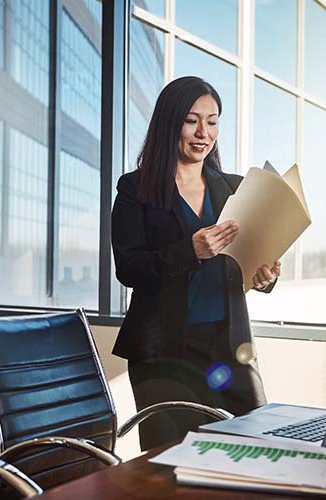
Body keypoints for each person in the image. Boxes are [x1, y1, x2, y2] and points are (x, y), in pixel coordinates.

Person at [111, 76, 281, 451]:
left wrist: (265, 276)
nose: (203, 132)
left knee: (255, 450)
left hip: (229, 348)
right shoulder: (135, 190)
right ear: (170, 123)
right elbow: (128, 268)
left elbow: (249, 262)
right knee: (172, 464)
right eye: (192, 120)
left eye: (213, 120)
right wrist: (190, 250)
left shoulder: (236, 189)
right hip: (163, 354)